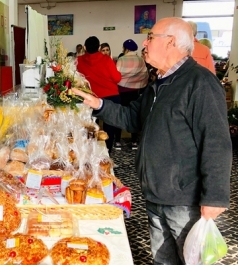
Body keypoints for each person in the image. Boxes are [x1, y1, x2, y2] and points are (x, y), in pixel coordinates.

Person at [72, 17, 231, 264]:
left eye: (150, 37)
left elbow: (217, 142)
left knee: (190, 260)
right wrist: (99, 104)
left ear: (171, 42)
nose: (144, 43)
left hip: (184, 200)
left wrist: (215, 197)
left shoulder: (199, 83)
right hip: (156, 192)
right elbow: (134, 117)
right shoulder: (159, 81)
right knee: (163, 260)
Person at [76, 36, 121, 152]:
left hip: (89, 98)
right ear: (99, 47)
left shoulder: (79, 61)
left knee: (89, 128)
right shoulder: (106, 60)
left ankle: (89, 153)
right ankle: (106, 154)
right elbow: (117, 78)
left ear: (85, 47)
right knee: (108, 129)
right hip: (110, 96)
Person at [115, 39, 148, 150]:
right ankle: (134, 142)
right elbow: (144, 75)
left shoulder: (121, 59)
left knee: (121, 115)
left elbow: (117, 75)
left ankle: (117, 141)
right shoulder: (140, 60)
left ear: (125, 48)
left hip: (121, 91)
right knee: (134, 115)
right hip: (135, 91)